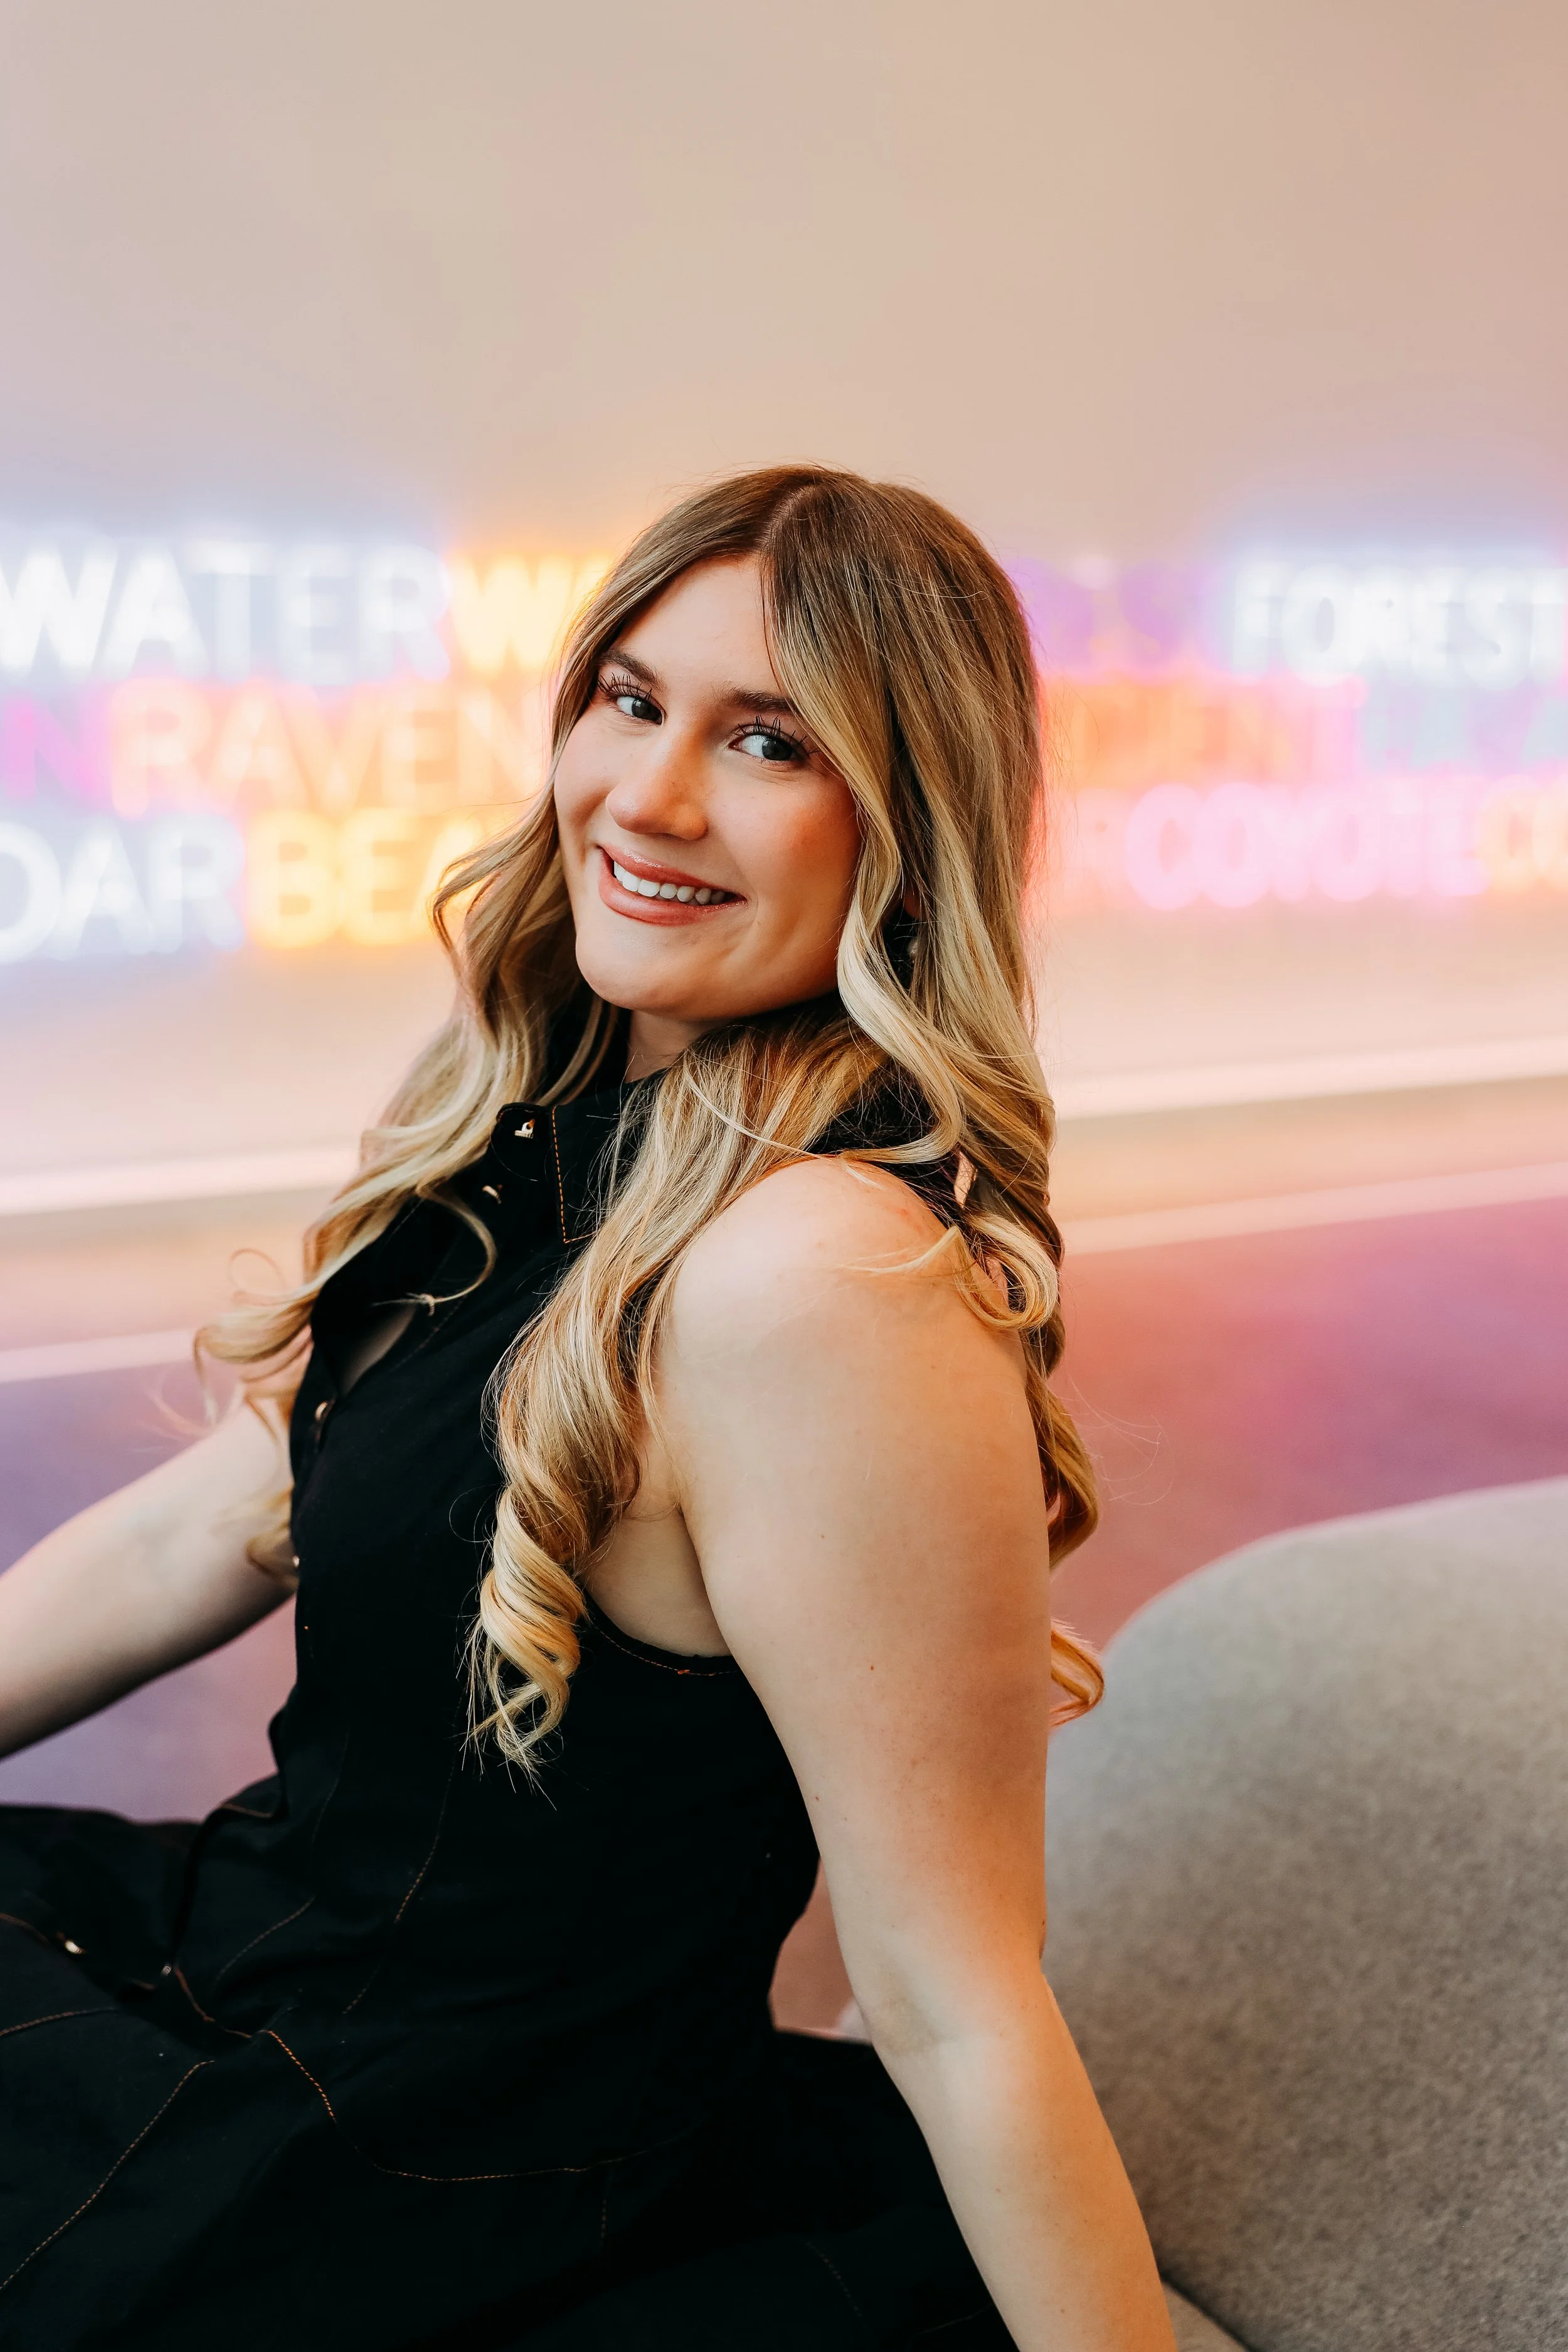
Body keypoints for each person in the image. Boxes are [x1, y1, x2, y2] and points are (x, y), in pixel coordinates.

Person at [0, 467, 1175, 2351]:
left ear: (904, 825)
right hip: (255, 1966)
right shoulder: (537, 1122)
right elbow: (209, 1517)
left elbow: (951, 1988)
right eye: (628, 697)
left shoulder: (814, 1279)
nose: (648, 793)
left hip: (428, 2181)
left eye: (766, 739)